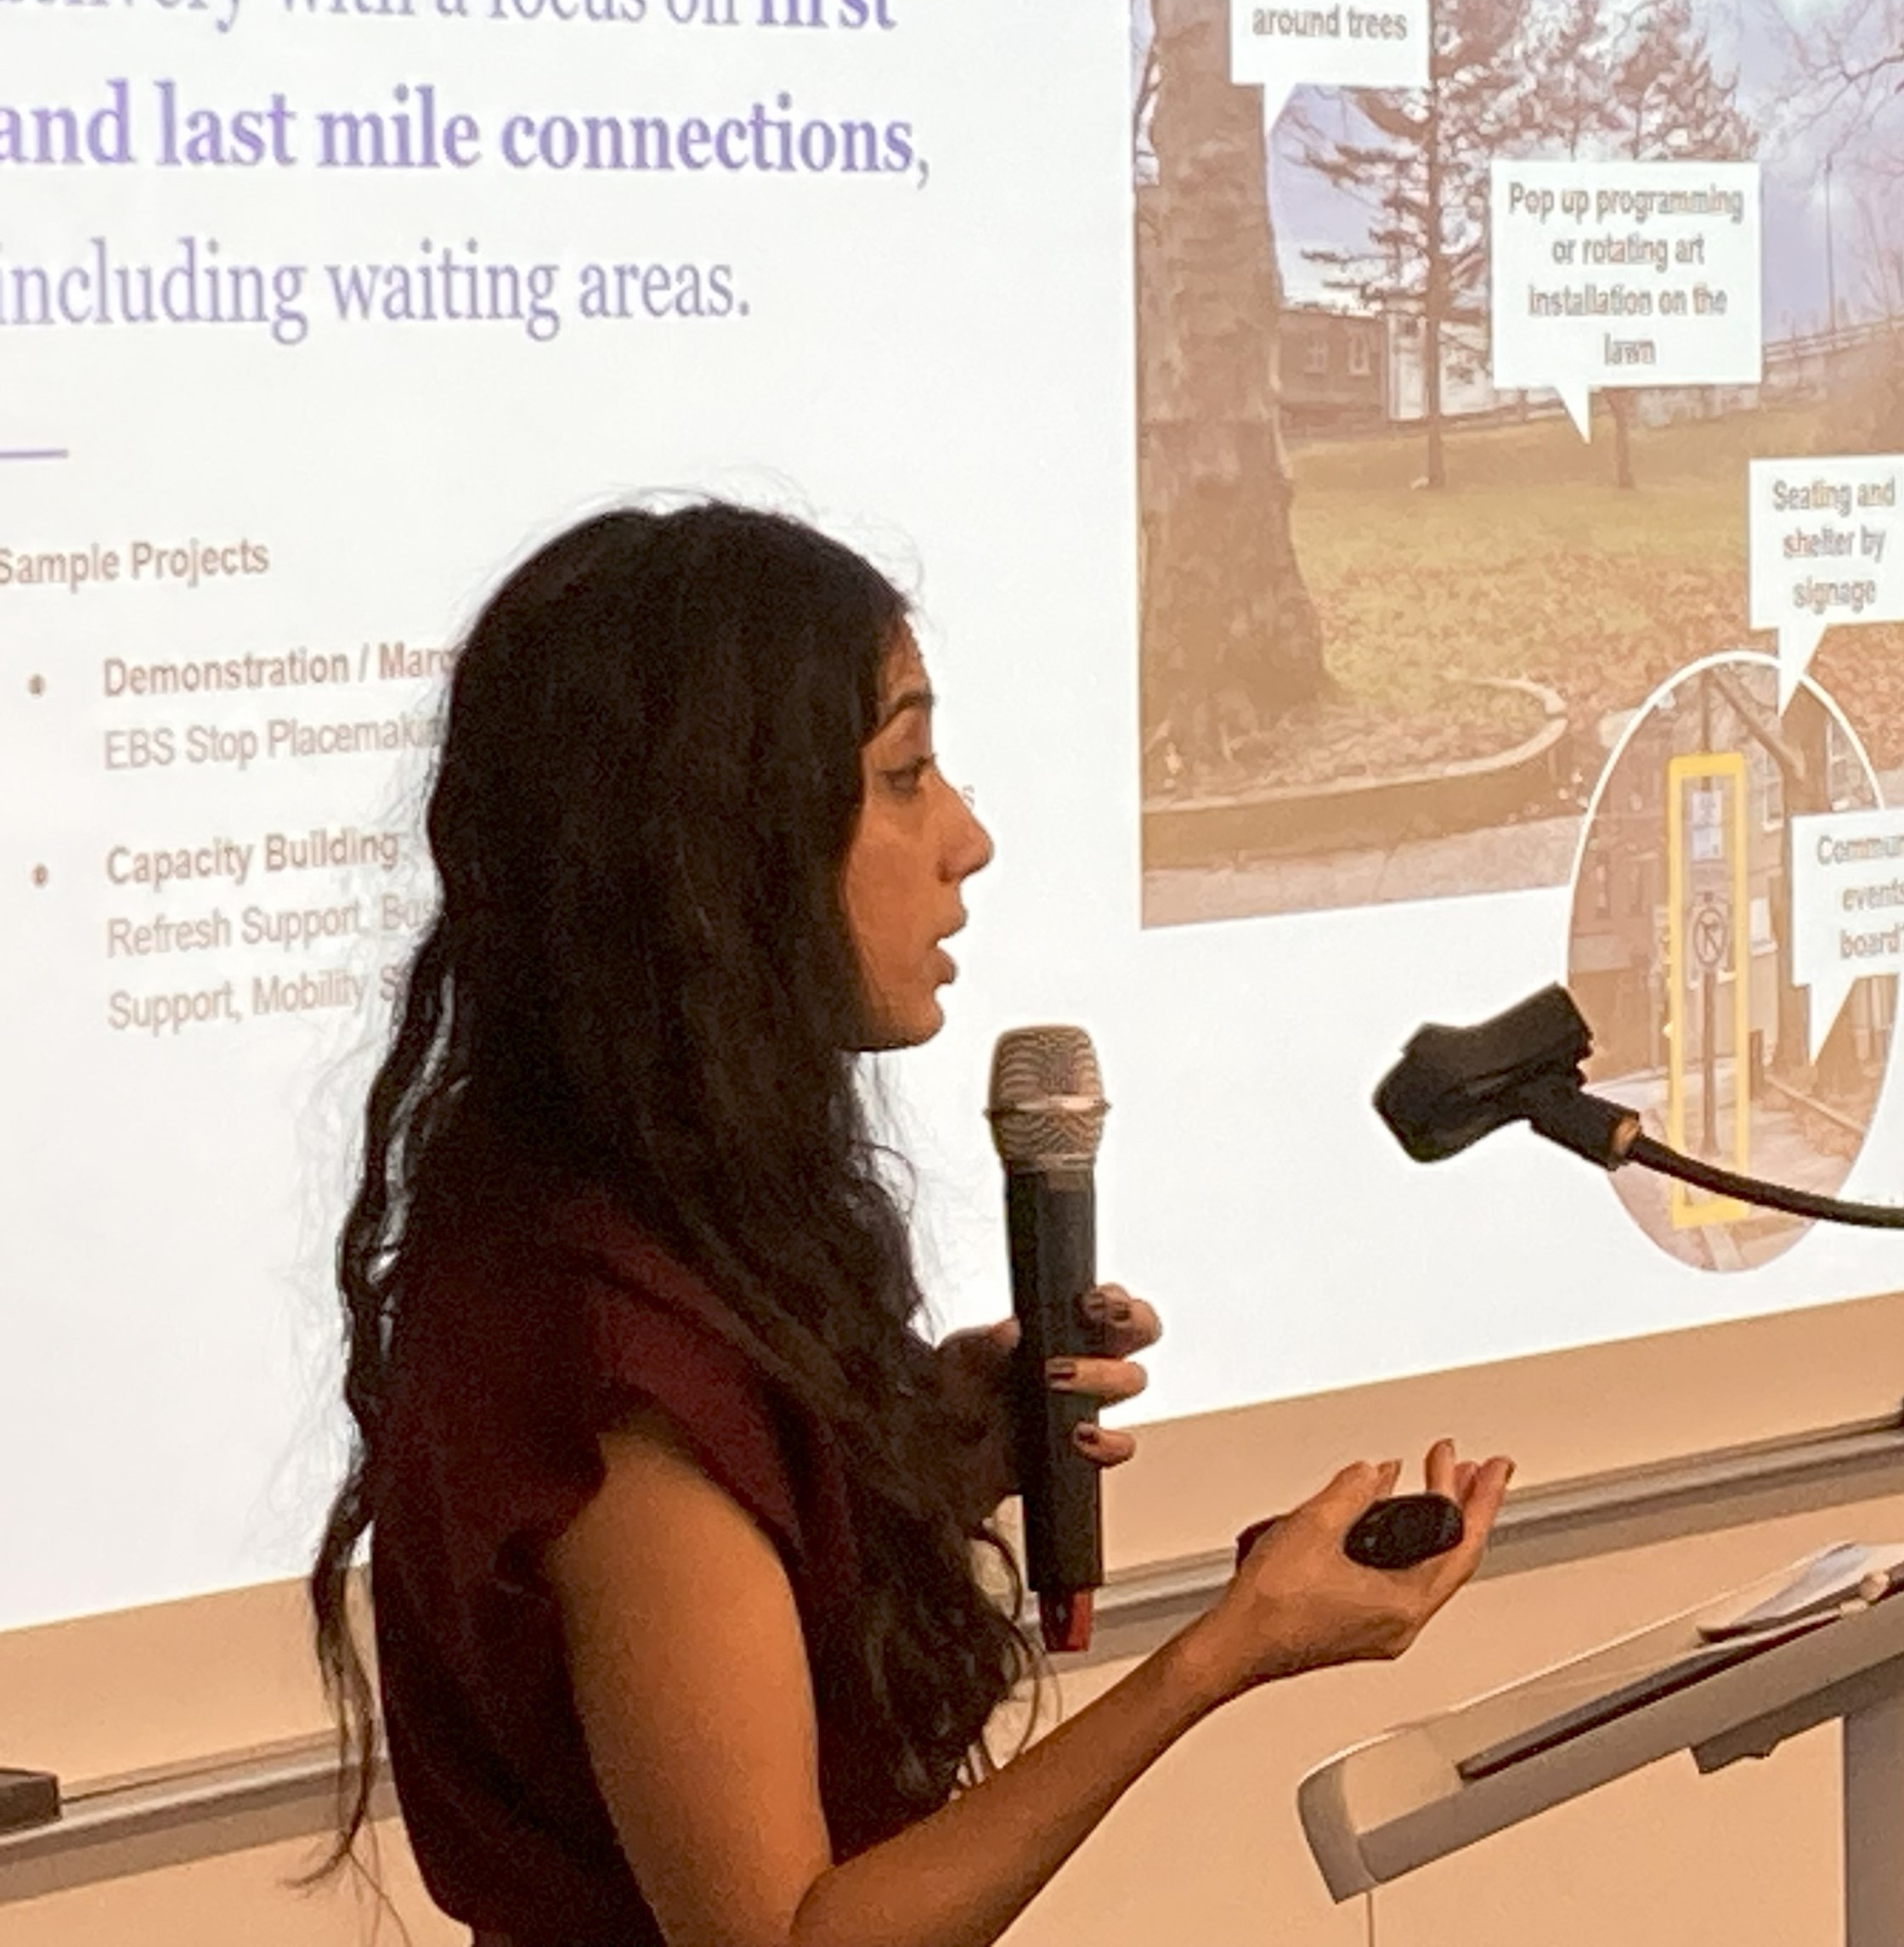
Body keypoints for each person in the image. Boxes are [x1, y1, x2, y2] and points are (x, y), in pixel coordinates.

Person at [306, 501, 1510, 1947]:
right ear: (716, 848)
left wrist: (902, 1470)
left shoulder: (668, 1236)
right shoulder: (609, 1350)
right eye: (904, 774)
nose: (969, 838)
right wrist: (1224, 1652)